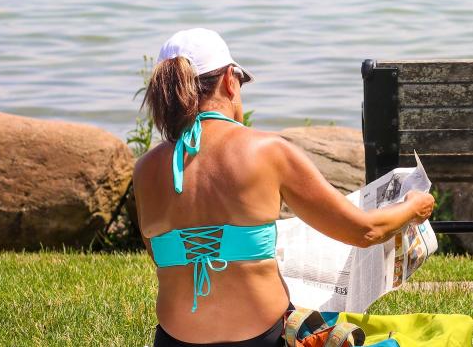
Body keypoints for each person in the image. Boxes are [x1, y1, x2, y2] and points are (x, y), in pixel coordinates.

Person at [133, 28, 434, 347]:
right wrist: (414, 206)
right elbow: (365, 231)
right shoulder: (266, 151)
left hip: (173, 341)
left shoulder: (145, 169)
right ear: (229, 81)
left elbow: (160, 255)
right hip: (261, 340)